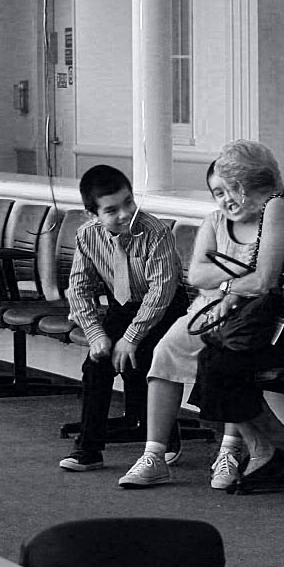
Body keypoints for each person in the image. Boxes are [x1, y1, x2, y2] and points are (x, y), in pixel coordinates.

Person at [162, 139, 284, 484]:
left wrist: (224, 291)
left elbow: (263, 282)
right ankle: (272, 444)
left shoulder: (280, 208)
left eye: (227, 189)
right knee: (215, 358)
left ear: (239, 186)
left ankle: (275, 446)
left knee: (221, 363)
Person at [117, 162, 271, 491]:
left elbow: (264, 281)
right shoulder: (214, 222)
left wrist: (226, 279)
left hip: (251, 317)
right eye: (217, 192)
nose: (226, 198)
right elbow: (197, 276)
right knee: (165, 350)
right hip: (205, 310)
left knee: (228, 360)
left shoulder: (269, 223)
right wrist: (239, 278)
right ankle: (154, 456)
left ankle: (229, 451)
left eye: (231, 189)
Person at [58, 164, 187, 472]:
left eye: (128, 202)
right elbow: (78, 289)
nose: (124, 214)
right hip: (122, 306)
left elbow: (161, 292)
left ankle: (167, 438)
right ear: (93, 214)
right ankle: (88, 449)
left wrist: (130, 338)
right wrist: (95, 334)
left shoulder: (156, 232)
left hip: (165, 308)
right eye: (111, 210)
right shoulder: (87, 236)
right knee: (96, 363)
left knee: (143, 357)